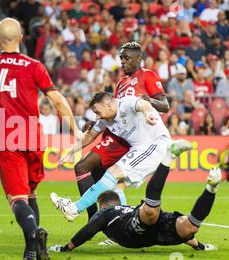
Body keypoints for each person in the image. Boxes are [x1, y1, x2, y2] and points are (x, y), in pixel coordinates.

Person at [0, 18, 82, 260]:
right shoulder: (35, 66)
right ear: (21, 37)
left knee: (17, 199)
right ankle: (30, 253)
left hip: (7, 140)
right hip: (33, 138)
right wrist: (74, 130)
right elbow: (57, 100)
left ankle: (36, 234)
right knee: (31, 195)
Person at [68, 42, 170, 221]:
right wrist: (97, 121)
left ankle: (91, 216)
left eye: (126, 58)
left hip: (139, 137)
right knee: (108, 179)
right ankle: (111, 220)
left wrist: (148, 103)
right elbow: (113, 110)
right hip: (123, 134)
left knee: (94, 171)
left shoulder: (148, 75)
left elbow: (165, 105)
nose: (122, 62)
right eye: (121, 58)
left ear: (139, 58)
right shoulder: (122, 83)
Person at [51, 91, 190, 222]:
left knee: (113, 172)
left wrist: (147, 113)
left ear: (109, 105)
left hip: (155, 144)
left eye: (98, 112)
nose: (97, 117)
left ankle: (74, 209)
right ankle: (121, 225)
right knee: (116, 187)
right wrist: (70, 152)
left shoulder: (126, 103)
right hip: (139, 149)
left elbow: (143, 104)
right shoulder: (105, 119)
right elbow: (90, 136)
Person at [50, 150, 221, 253]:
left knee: (155, 214)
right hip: (146, 227)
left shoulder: (105, 213)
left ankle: (169, 160)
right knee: (188, 227)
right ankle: (210, 190)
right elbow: (188, 238)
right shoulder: (124, 207)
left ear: (101, 205)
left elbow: (88, 230)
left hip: (132, 232)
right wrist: (199, 245)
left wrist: (66, 247)